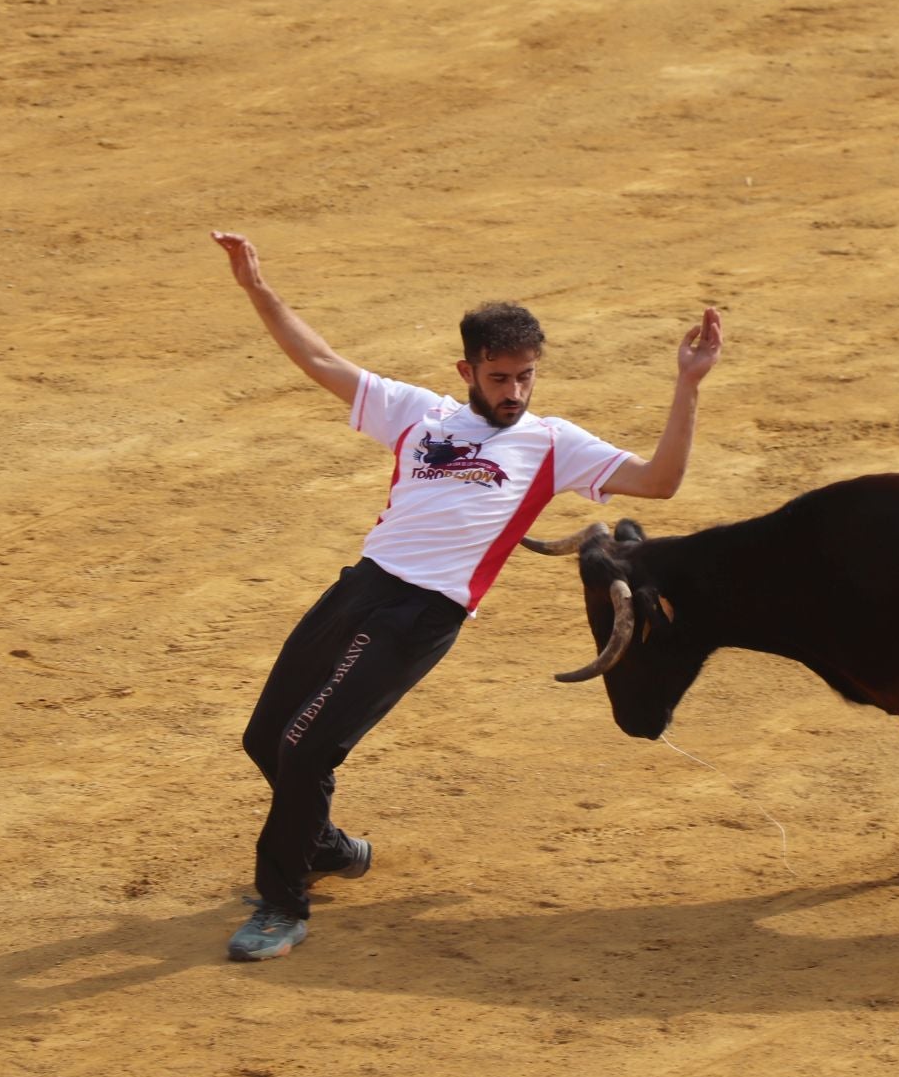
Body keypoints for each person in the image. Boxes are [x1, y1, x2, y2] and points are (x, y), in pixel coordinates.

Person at [212, 230, 723, 961]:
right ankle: (324, 847)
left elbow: (661, 479)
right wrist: (258, 290)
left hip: (423, 613)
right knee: (266, 737)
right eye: (498, 378)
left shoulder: (552, 444)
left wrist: (688, 385)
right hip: (361, 588)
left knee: (306, 745)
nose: (513, 393)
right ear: (468, 370)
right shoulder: (417, 414)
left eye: (524, 378)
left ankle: (282, 905)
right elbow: (320, 360)